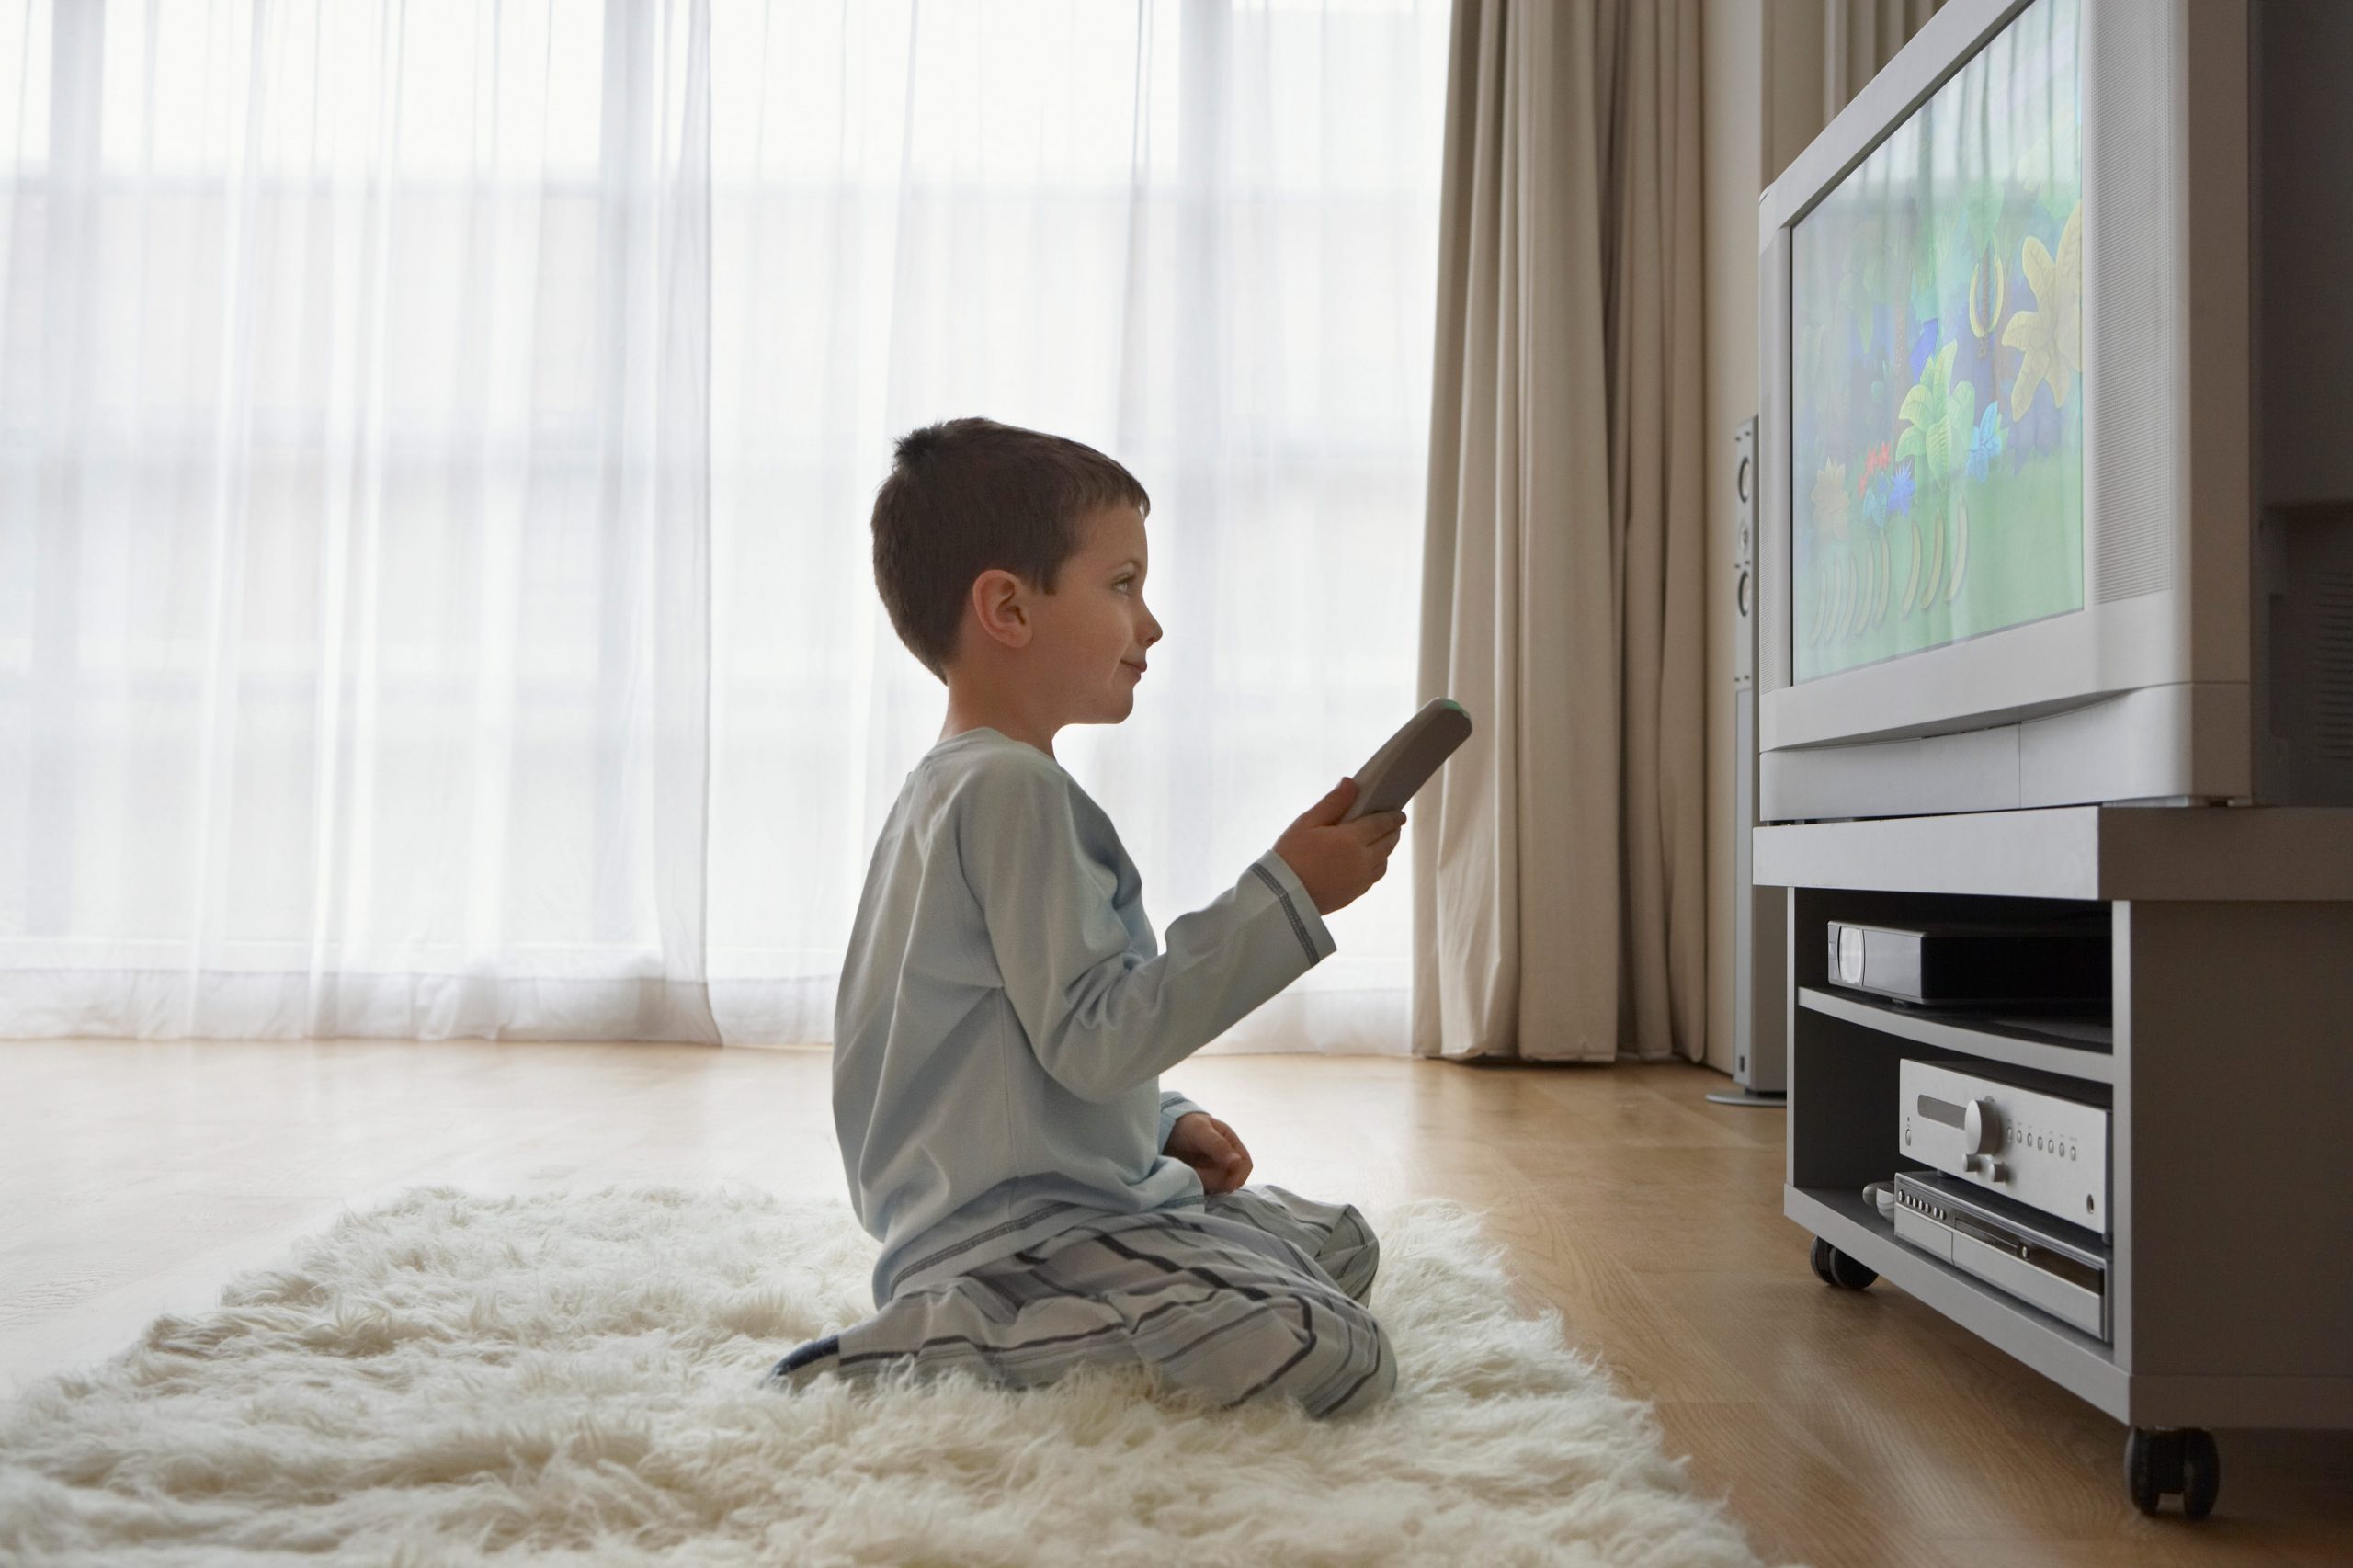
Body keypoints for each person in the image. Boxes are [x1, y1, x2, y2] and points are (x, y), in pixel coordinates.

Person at [767, 416, 1407, 1418]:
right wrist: (1289, 891)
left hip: (1062, 1200)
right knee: (1337, 1346)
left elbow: (1016, 1040)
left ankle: (1122, 1276)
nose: (1148, 624)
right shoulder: (1007, 792)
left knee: (1341, 1242)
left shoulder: (969, 787)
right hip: (1021, 1238)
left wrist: (1161, 1120)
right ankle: (941, 1342)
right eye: (1122, 585)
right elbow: (1094, 1035)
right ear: (1008, 609)